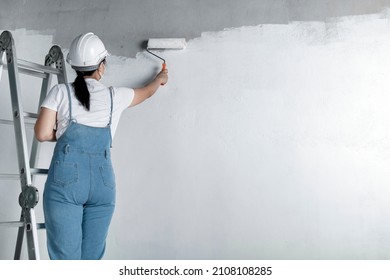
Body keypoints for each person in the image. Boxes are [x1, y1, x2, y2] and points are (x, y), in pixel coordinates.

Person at [34, 32, 168, 260]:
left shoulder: (61, 92)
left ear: (74, 66)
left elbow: (42, 133)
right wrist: (161, 77)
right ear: (101, 67)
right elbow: (147, 92)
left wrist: (66, 132)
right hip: (102, 184)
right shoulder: (115, 96)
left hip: (66, 184)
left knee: (66, 261)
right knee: (92, 261)